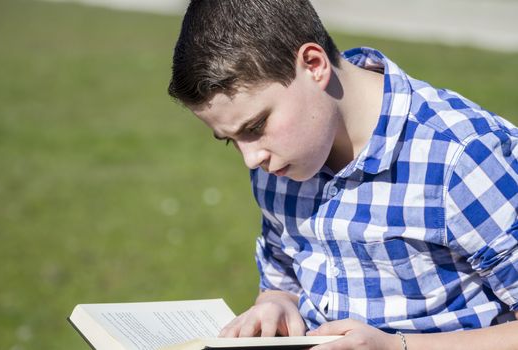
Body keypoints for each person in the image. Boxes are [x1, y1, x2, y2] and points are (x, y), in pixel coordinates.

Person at [168, 0, 518, 349]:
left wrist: (397, 347)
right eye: (231, 141)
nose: (251, 158)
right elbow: (284, 278)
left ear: (314, 65)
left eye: (256, 126)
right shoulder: (279, 160)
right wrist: (275, 303)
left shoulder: (462, 156)